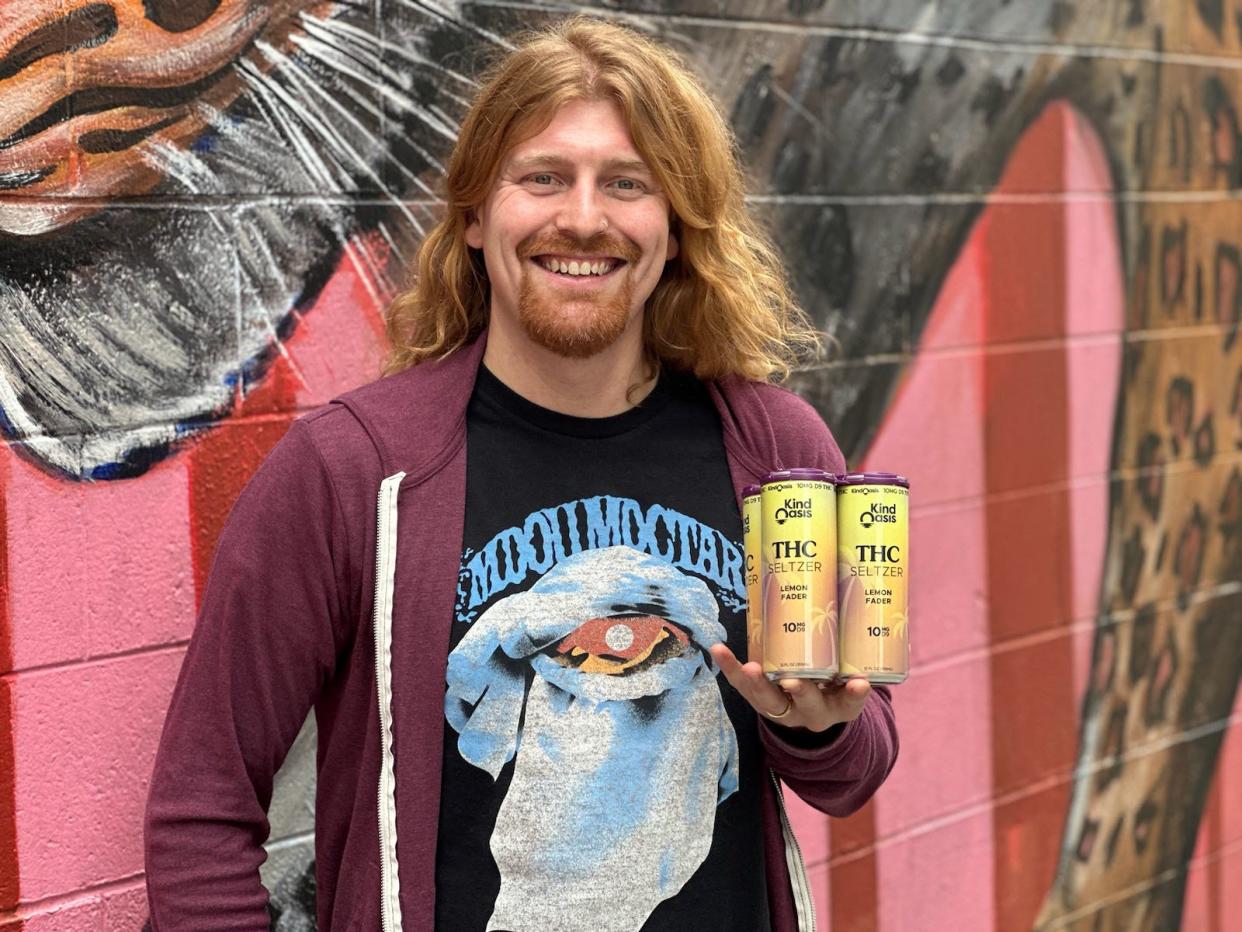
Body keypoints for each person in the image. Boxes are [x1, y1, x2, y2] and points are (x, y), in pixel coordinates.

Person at [144, 15, 898, 932]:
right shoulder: (356, 470)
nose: (582, 218)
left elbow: (853, 772)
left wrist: (817, 724)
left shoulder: (774, 455)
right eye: (542, 177)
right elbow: (202, 804)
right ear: (473, 215)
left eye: (627, 184)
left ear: (677, 229)